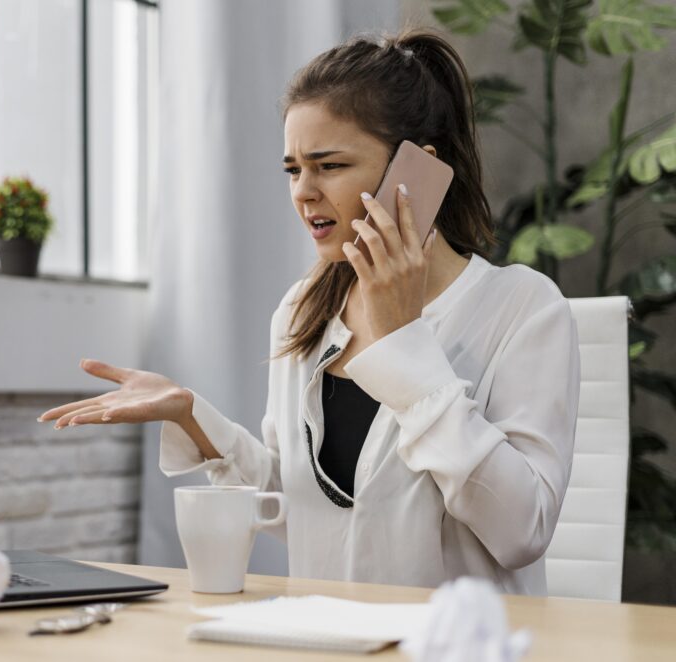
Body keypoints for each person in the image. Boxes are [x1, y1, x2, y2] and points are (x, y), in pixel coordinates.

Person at [38, 27, 579, 595]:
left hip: (456, 637)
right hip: (322, 632)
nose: (303, 191)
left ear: (415, 173)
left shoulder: (523, 307)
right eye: (293, 169)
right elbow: (297, 509)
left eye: (330, 165)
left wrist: (403, 342)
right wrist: (191, 416)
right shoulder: (303, 310)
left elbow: (522, 531)